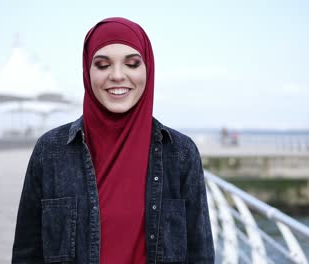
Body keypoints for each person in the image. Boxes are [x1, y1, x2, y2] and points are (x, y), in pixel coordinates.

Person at [12, 17, 214, 264]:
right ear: (87, 71)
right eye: (103, 65)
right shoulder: (50, 151)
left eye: (131, 64)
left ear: (148, 69)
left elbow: (200, 255)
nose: (117, 75)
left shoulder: (180, 154)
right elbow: (27, 255)